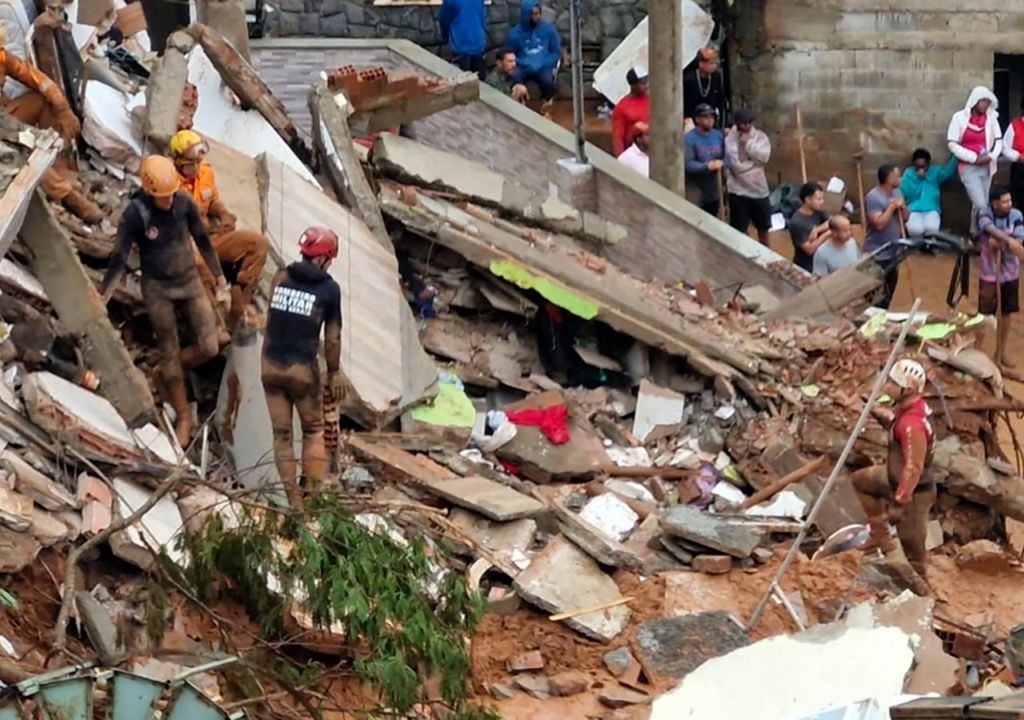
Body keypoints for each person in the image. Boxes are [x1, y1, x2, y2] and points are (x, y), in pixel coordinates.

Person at [100, 156, 229, 447]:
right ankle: (183, 415)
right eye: (163, 196)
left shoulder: (183, 203)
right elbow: (119, 256)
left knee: (210, 345)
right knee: (168, 348)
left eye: (171, 194)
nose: (168, 201)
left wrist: (218, 274)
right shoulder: (136, 215)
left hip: (190, 282)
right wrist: (104, 293)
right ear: (149, 191)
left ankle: (166, 371)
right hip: (158, 289)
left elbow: (202, 239)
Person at [262, 227, 343, 508]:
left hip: (270, 366)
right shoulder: (329, 289)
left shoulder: (281, 277)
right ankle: (312, 502)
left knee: (282, 434)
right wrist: (334, 372)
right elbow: (332, 339)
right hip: (302, 370)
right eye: (330, 259)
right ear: (322, 258)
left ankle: (294, 502)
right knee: (313, 430)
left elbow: (273, 318)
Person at [0, 22, 101, 222]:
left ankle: (61, 168)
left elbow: (38, 79)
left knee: (46, 102)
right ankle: (65, 194)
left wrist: (62, 108)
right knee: (26, 150)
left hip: (5, 113)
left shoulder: (3, 57)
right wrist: (22, 133)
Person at [169, 130, 269, 331]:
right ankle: (216, 320)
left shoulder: (205, 172)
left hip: (211, 238)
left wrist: (224, 215)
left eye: (198, 162)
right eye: (191, 164)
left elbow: (212, 200)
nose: (196, 167)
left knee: (257, 243)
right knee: (200, 264)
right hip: (184, 241)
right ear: (179, 163)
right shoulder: (170, 184)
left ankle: (240, 302)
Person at [851, 358, 936, 595]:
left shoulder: (912, 424)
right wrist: (878, 413)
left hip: (914, 492)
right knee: (861, 481)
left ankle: (924, 594)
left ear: (907, 390)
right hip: (893, 477)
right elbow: (896, 425)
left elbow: (914, 467)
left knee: (914, 551)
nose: (887, 386)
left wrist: (899, 502)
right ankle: (880, 535)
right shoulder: (910, 410)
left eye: (893, 383)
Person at [976, 185, 1024, 367]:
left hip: (1010, 273)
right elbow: (987, 228)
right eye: (1004, 201)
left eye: (1009, 200)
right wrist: (1008, 241)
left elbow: (1018, 241)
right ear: (995, 204)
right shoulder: (984, 213)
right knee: (984, 313)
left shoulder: (1016, 215)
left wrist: (1002, 243)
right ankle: (976, 349)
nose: (1009, 204)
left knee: (1006, 312)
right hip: (989, 273)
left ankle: (1001, 351)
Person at [948, 86, 1002, 231]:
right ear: (975, 101)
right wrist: (973, 158)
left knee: (982, 201)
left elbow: (999, 140)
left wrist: (991, 156)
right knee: (980, 204)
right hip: (968, 167)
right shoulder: (959, 118)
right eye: (982, 101)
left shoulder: (991, 118)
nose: (985, 105)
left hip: (987, 166)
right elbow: (952, 144)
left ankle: (975, 231)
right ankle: (987, 231)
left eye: (987, 102)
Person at [724, 108, 772, 245]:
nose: (747, 126)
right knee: (740, 231)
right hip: (738, 192)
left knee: (764, 228)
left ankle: (767, 254)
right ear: (737, 123)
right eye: (743, 123)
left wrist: (748, 144)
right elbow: (736, 167)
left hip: (759, 191)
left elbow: (764, 158)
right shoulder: (729, 139)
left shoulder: (760, 137)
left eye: (749, 123)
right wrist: (755, 164)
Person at [864, 164, 908, 309]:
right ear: (889, 178)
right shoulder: (873, 197)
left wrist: (902, 207)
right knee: (874, 293)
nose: (901, 178)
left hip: (894, 252)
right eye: (898, 175)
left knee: (890, 288)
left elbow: (906, 218)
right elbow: (879, 224)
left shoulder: (898, 192)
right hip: (877, 253)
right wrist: (891, 207)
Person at [505, 0, 561, 102]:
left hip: (543, 66)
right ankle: (519, 104)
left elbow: (555, 52)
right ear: (526, 15)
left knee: (547, 82)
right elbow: (510, 55)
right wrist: (522, 63)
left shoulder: (549, 30)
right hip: (522, 66)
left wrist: (545, 63)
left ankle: (547, 105)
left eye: (538, 13)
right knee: (515, 77)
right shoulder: (514, 34)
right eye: (534, 14)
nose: (537, 16)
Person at [900, 148, 958, 238]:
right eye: (918, 166)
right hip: (913, 209)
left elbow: (947, 173)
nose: (921, 169)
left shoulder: (934, 171)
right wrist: (918, 179)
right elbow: (906, 193)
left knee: (931, 229)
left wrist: (956, 156)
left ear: (928, 164)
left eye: (923, 166)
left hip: (932, 208)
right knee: (915, 230)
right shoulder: (909, 174)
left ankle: (929, 243)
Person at [684, 103, 728, 216]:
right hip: (696, 189)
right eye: (706, 117)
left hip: (715, 188)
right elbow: (688, 164)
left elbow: (727, 158)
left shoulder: (718, 135)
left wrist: (722, 163)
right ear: (697, 119)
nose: (710, 119)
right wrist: (707, 166)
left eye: (712, 116)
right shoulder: (689, 138)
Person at [786, 182, 830, 273]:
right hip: (807, 267)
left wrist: (817, 229)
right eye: (818, 199)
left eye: (822, 199)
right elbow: (809, 250)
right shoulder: (797, 222)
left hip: (820, 261)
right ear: (808, 200)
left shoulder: (819, 211)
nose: (822, 202)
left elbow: (831, 222)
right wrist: (827, 234)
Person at [439, 0, 487, 78]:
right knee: (480, 80)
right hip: (478, 43)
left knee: (461, 80)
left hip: (460, 45)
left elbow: (444, 20)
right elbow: (482, 17)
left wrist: (446, 36)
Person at [611, 66, 649, 157]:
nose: (647, 85)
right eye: (643, 83)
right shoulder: (622, 107)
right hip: (635, 153)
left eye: (647, 81)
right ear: (633, 85)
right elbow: (618, 138)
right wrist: (621, 159)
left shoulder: (652, 100)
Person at [683, 47, 725, 127]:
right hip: (692, 119)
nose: (714, 66)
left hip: (711, 117)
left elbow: (720, 99)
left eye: (715, 63)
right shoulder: (689, 79)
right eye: (711, 63)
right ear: (701, 64)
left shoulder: (716, 77)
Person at [1002, 97, 1024, 210]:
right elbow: (1005, 147)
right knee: (1020, 201)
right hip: (1020, 170)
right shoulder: (1015, 125)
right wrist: (1018, 156)